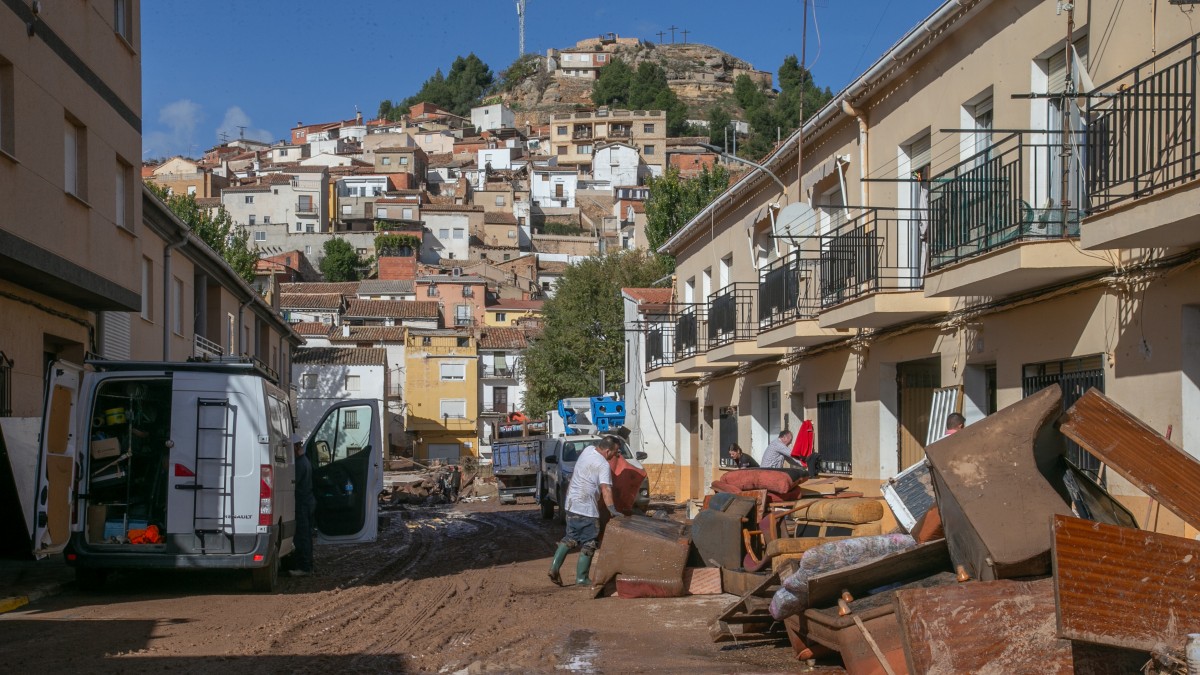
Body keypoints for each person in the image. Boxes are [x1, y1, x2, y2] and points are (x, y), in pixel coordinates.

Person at [548, 435, 622, 587]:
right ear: (608, 451)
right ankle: (581, 578)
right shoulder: (603, 465)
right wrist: (612, 510)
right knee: (590, 543)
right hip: (587, 508)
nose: (616, 455)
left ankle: (554, 567)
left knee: (570, 538)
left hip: (571, 504)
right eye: (615, 452)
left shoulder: (588, 450)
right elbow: (606, 488)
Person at [290, 433, 315, 577]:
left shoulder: (299, 464)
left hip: (302, 503)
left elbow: (293, 484)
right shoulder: (304, 460)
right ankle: (308, 565)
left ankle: (304, 567)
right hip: (307, 501)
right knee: (306, 536)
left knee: (302, 536)